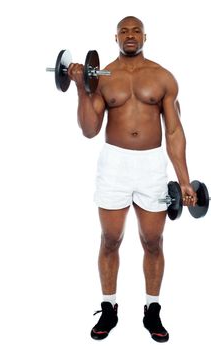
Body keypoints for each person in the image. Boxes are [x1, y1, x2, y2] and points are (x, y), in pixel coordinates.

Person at [68, 16, 197, 343]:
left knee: (153, 241)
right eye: (124, 31)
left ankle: (152, 309)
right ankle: (109, 307)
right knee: (110, 239)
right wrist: (82, 87)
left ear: (144, 36)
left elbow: (174, 130)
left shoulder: (162, 77)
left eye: (135, 30)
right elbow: (89, 130)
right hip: (114, 163)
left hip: (152, 166)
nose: (130, 35)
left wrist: (184, 180)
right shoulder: (104, 78)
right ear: (115, 38)